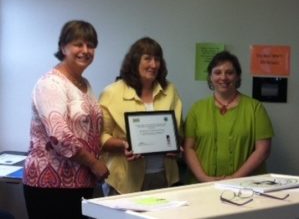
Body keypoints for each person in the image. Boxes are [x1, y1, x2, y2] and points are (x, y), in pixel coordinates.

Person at [22, 20, 109, 219]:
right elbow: (59, 136)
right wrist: (94, 164)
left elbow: (90, 131)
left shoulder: (84, 83)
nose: (85, 50)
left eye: (91, 45)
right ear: (63, 47)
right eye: (78, 44)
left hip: (81, 182)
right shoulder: (51, 83)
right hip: (51, 185)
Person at [98, 37, 183, 195]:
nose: (153, 64)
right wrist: (123, 145)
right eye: (147, 58)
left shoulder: (170, 91)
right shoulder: (112, 92)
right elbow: (100, 136)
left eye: (157, 59)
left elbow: (177, 131)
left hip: (163, 177)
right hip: (124, 180)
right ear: (135, 61)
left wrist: (177, 147)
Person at [184, 50, 274, 183]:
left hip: (246, 185)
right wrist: (203, 178)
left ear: (237, 77)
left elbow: (263, 150)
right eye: (217, 72)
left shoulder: (255, 108)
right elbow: (188, 148)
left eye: (229, 72)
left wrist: (234, 179)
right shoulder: (197, 109)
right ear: (210, 77)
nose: (223, 77)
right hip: (203, 185)